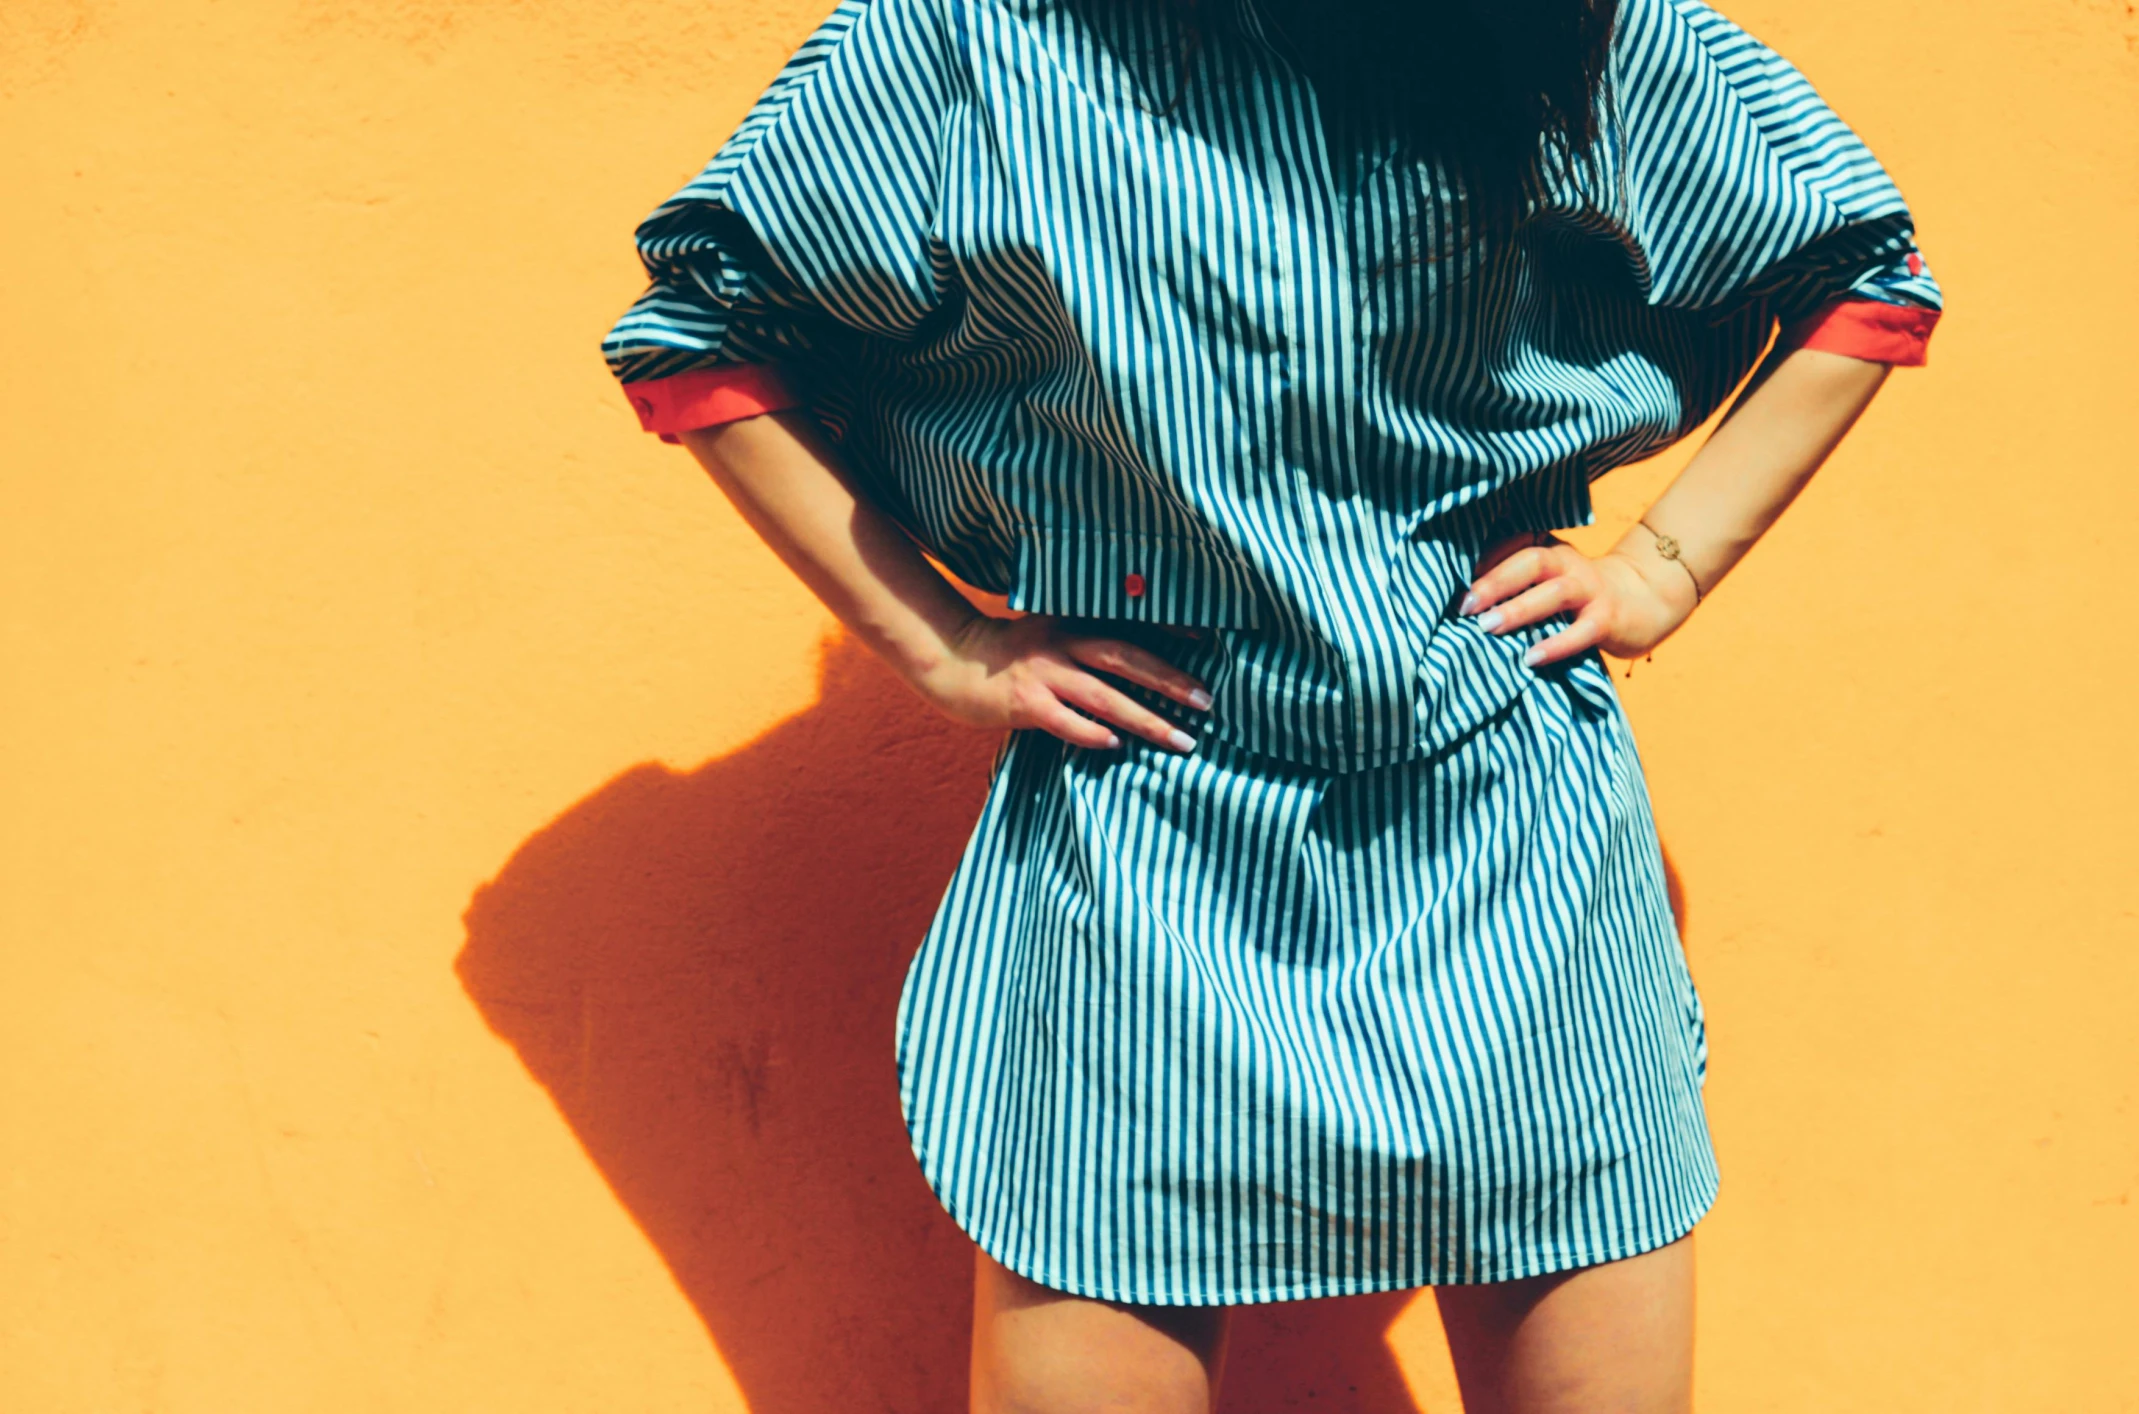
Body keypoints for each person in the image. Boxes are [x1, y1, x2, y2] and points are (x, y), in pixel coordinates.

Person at [600, 0, 1940, 1406]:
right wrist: (940, 642)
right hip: (1145, 838)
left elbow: (1868, 273)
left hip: (1517, 834)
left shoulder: (1569, 27)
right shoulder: (970, 39)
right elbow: (697, 329)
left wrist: (1665, 563)